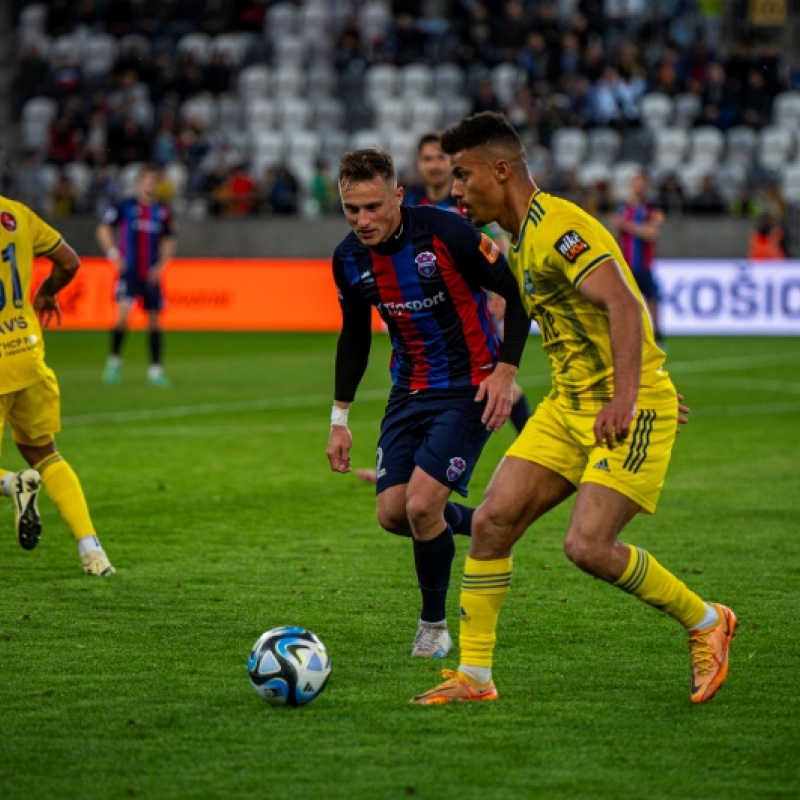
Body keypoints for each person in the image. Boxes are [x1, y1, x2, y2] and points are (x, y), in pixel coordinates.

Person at [411, 112, 735, 706]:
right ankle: (474, 678)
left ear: (500, 170)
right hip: (569, 407)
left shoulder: (559, 225)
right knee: (491, 521)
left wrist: (633, 397)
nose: (455, 189)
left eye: (462, 174)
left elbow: (623, 304)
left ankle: (707, 621)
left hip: (620, 411)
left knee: (586, 547)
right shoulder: (518, 236)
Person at [326, 148, 531, 659]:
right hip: (408, 390)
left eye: (373, 206)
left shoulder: (447, 233)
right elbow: (354, 336)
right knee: (394, 513)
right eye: (352, 209)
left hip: (469, 389)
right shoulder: (349, 258)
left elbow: (517, 294)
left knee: (421, 505)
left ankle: (434, 628)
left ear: (398, 195)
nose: (363, 220)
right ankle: (481, 522)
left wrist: (505, 372)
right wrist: (340, 419)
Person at [356, 132, 532, 484]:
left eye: (440, 158)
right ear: (419, 166)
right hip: (420, 314)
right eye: (428, 159)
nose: (435, 165)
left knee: (496, 381)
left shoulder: (466, 202)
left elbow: (494, 246)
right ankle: (404, 468)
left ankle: (533, 451)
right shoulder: (410, 207)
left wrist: (498, 296)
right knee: (419, 379)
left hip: (470, 311)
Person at [0, 193, 115, 575]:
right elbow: (69, 261)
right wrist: (46, 291)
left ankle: (13, 484)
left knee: (29, 467)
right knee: (46, 454)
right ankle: (93, 552)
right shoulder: (16, 213)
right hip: (26, 352)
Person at [96, 162, 177, 387]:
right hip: (129, 272)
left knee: (154, 322)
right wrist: (113, 254)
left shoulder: (163, 211)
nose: (150, 184)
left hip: (150, 274)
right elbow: (103, 228)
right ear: (140, 181)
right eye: (147, 180)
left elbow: (169, 239)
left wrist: (161, 265)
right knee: (122, 319)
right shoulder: (125, 206)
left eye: (154, 181)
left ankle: (155, 370)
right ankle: (113, 364)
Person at [611, 171, 665, 343]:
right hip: (625, 266)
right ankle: (625, 338)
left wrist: (625, 225)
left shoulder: (652, 209)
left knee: (652, 302)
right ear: (631, 185)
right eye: (636, 183)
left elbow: (652, 233)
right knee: (623, 304)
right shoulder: (621, 208)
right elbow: (613, 236)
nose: (639, 187)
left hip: (644, 265)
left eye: (642, 183)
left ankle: (658, 337)